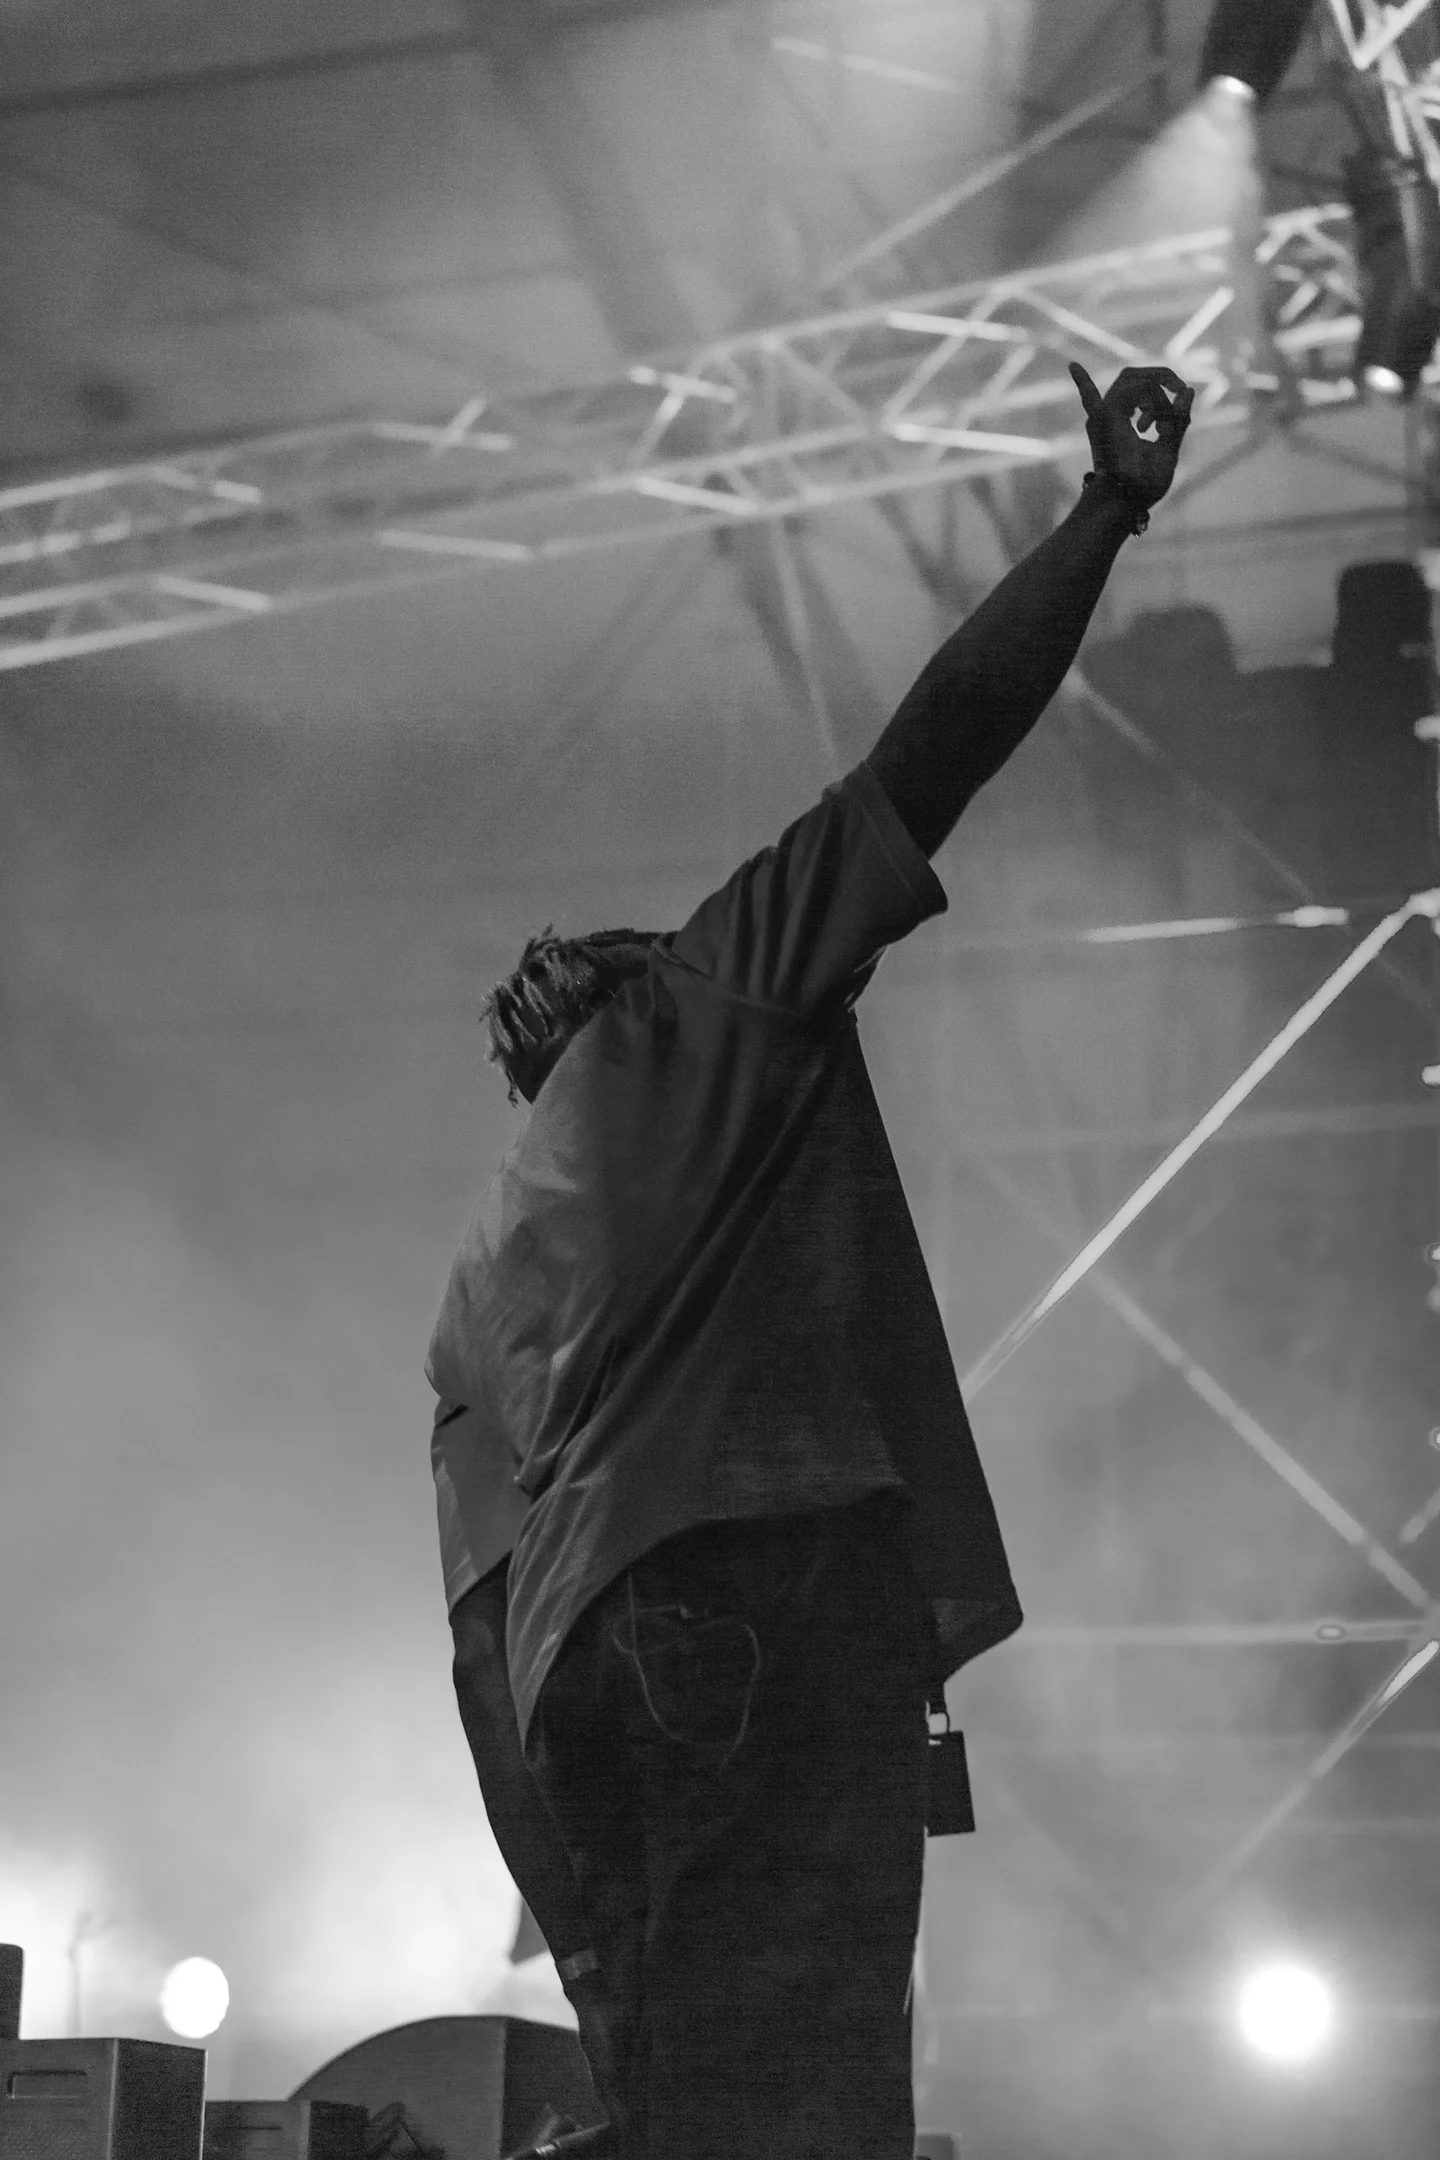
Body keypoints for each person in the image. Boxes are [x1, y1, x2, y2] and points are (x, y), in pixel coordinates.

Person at [429, 361, 1194, 2160]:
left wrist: (593, 1953)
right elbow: (936, 752)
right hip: (768, 1593)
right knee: (822, 2103)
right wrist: (1107, 510)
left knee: (703, 2103)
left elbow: (480, 1646)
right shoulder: (700, 1009)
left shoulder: (479, 1281)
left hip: (591, 1684)